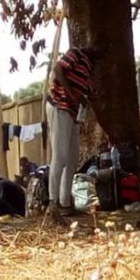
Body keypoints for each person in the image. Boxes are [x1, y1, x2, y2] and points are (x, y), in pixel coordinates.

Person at [45, 46, 96, 222]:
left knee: (72, 158)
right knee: (60, 156)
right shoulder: (76, 54)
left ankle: (65, 203)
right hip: (60, 105)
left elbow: (87, 95)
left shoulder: (89, 68)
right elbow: (57, 69)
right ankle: (52, 204)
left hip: (73, 114)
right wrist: (72, 93)